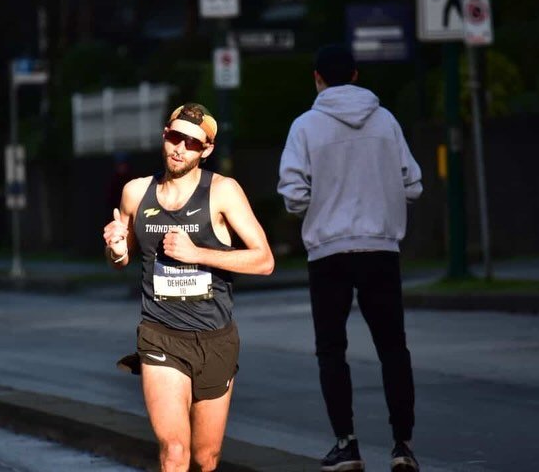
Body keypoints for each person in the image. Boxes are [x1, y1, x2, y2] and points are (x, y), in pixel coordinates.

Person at [103, 102, 274, 472]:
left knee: (205, 457)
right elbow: (122, 258)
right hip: (160, 336)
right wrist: (115, 249)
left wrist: (199, 253)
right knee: (175, 452)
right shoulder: (135, 192)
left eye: (192, 143)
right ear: (164, 134)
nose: (180, 148)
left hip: (215, 338)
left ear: (207, 149)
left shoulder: (223, 192)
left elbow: (264, 260)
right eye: (174, 137)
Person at [277, 44, 423, 472]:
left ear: (317, 78)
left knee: (331, 350)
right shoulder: (386, 121)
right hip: (380, 248)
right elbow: (412, 184)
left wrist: (322, 202)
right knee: (393, 348)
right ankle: (402, 445)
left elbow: (292, 197)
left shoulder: (305, 127)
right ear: (356, 76)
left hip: (328, 253)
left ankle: (346, 444)